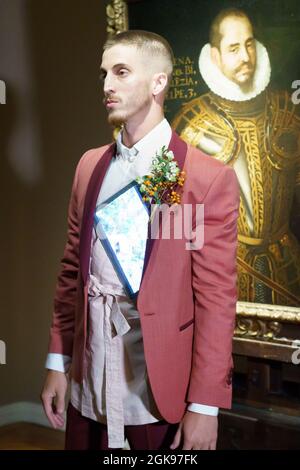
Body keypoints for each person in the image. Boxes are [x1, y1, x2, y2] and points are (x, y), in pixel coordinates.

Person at [41, 30, 239, 451]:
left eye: (121, 72)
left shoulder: (205, 178)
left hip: (155, 393)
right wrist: (58, 361)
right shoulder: (89, 166)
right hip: (88, 380)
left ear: (158, 83)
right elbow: (72, 273)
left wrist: (205, 405)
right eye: (104, 74)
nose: (107, 85)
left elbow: (215, 299)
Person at [173, 8, 300, 306]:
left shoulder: (287, 111)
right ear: (215, 56)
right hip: (223, 271)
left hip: (287, 265)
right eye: (233, 48)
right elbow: (174, 221)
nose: (245, 56)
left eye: (249, 44)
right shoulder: (190, 124)